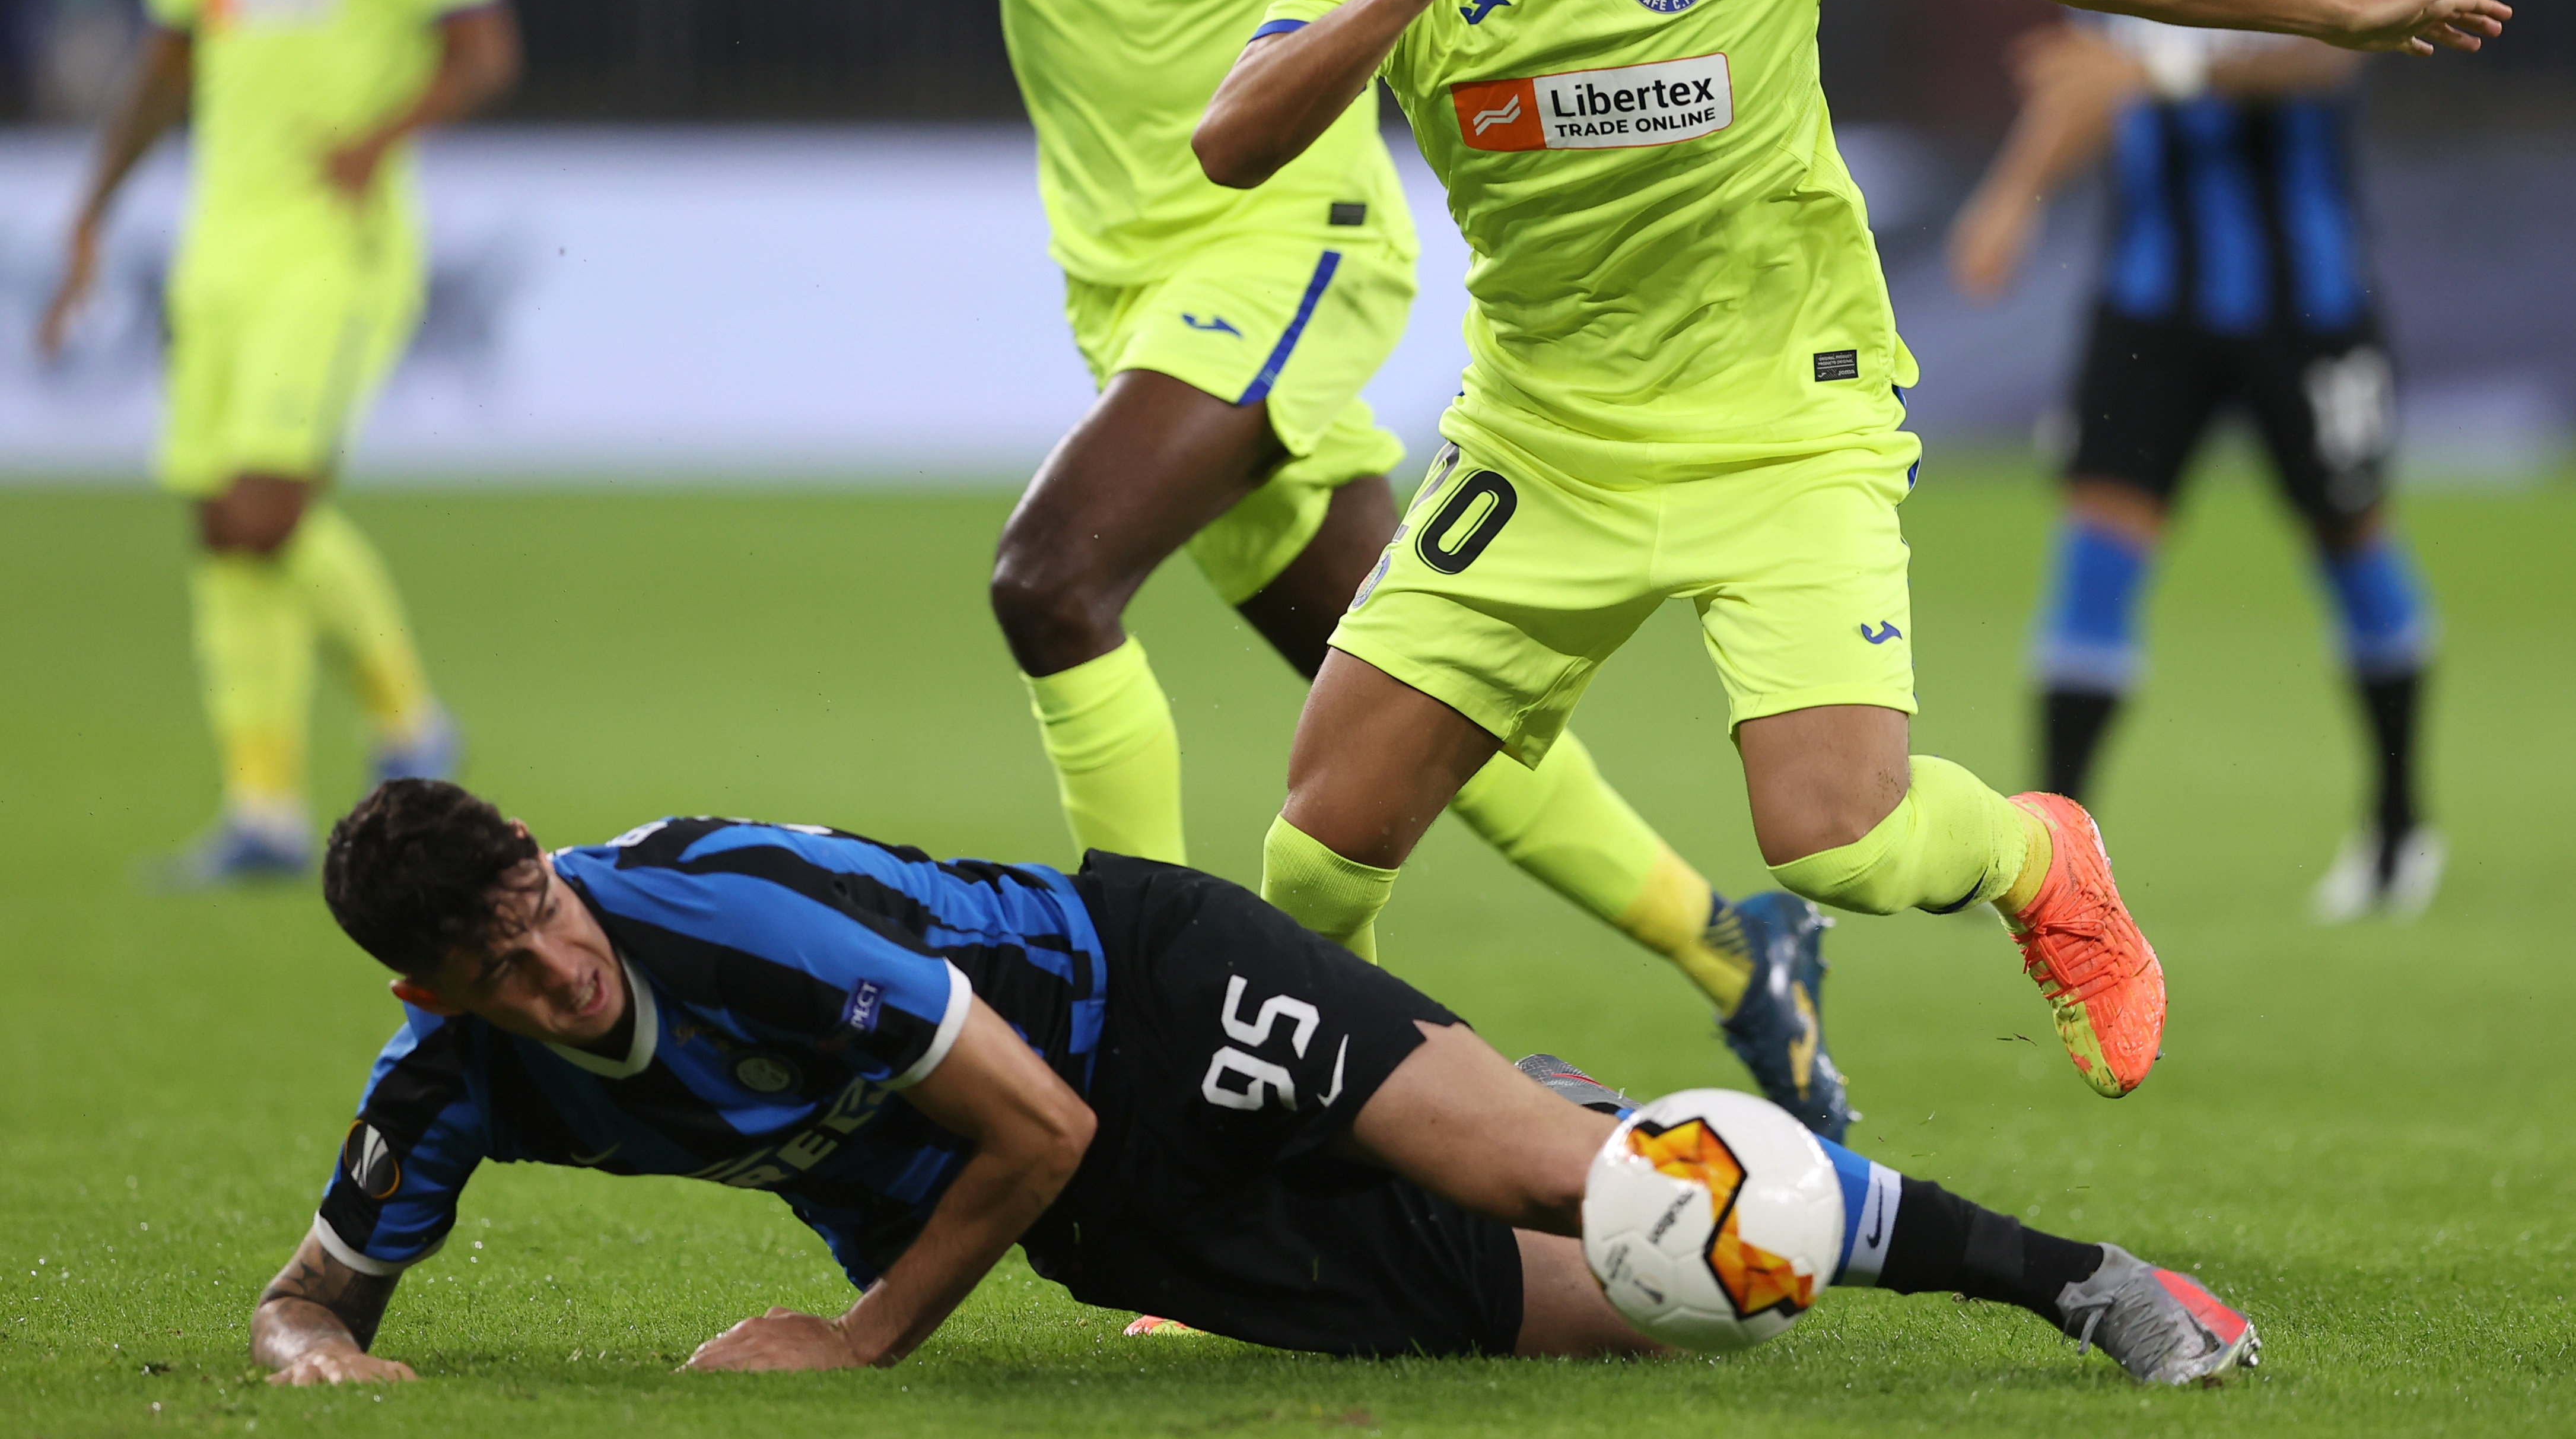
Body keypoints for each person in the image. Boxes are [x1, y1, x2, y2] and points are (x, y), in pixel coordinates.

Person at [664, 0, 1846, 1129]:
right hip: (1121, 278)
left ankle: (1132, 1035)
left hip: (1288, 233)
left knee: (1048, 581)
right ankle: (1731, 950)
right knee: (1399, 681)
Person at [1192, 0, 2505, 1100]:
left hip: (1785, 426)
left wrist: (2323, 10)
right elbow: (1230, 142)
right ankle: (1268, 1177)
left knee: (1840, 844)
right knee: (1324, 836)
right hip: (1546, 441)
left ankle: (2037, 857)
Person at [249, 777, 2258, 1387]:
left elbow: (1027, 1113)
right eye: (508, 957)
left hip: (1144, 993)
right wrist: (312, 1353)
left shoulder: (716, 920)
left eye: (543, 899)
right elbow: (308, 1293)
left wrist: (859, 1339)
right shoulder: (447, 1083)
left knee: (1610, 1193)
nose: (559, 951)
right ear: (441, 988)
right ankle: (1518, 1097)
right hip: (1090, 1200)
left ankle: (2085, 1280)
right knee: (1657, 1319)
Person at [1947, 0, 2440, 922]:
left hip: (2305, 301)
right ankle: (2061, 876)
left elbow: (2328, 51)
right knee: (2093, 559)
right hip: (2145, 301)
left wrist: (2151, 66)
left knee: (2351, 545)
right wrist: (2008, 199)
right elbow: (2076, 82)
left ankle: (2396, 823)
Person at [36, 0, 520, 885]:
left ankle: (410, 715)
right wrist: (92, 209)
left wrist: (381, 136)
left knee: (262, 511)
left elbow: (483, 50)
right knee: (219, 523)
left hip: (338, 249)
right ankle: (259, 811)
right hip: (220, 246)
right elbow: (166, 64)